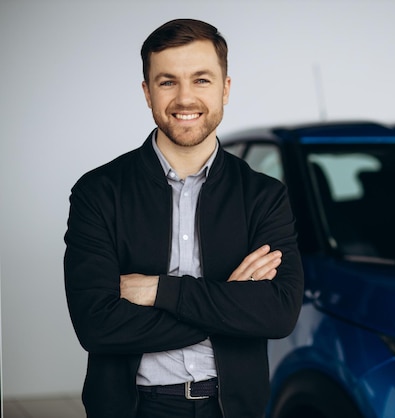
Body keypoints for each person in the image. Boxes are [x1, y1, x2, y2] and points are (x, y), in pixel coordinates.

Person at [64, 18, 304, 418]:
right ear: (147, 92)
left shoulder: (265, 196)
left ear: (226, 89)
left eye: (202, 80)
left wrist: (161, 291)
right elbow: (96, 326)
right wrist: (227, 300)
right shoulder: (98, 192)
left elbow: (278, 313)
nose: (185, 98)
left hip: (233, 409)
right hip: (134, 408)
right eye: (167, 81)